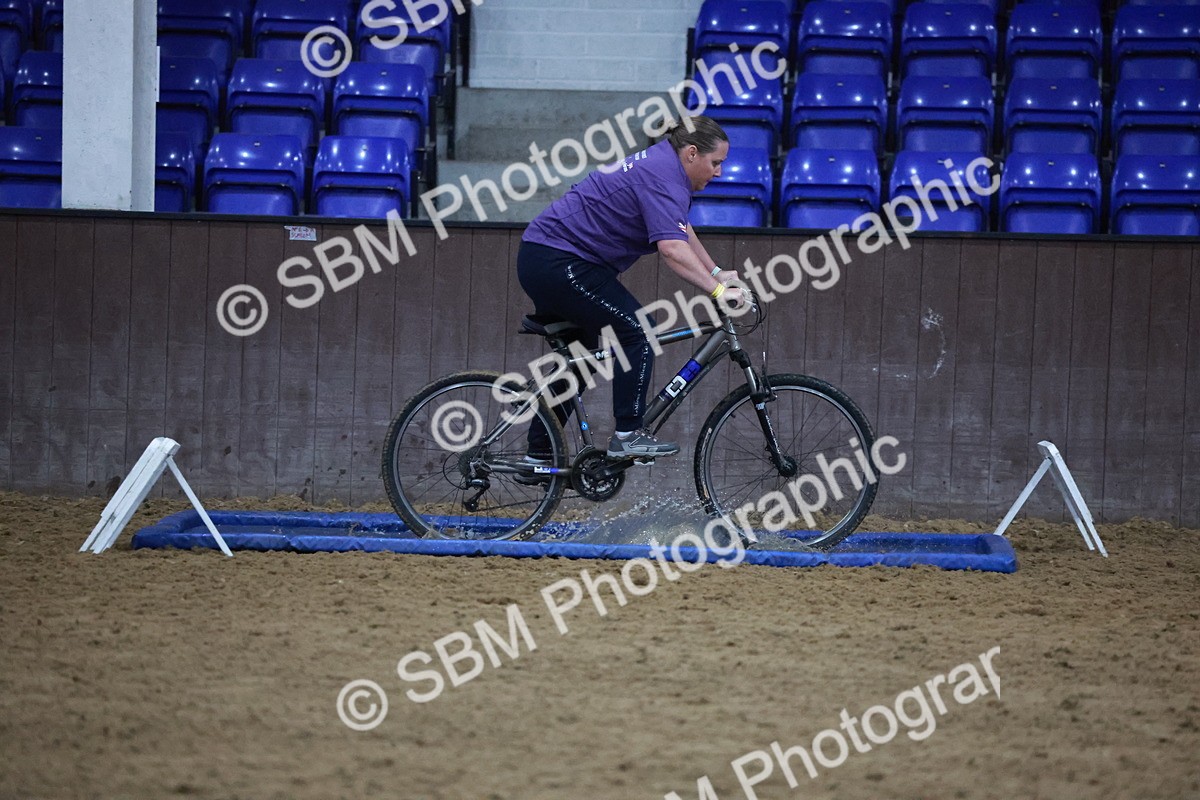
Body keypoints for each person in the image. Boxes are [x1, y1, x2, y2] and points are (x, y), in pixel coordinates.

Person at [517, 115, 747, 465]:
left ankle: (537, 455)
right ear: (690, 154)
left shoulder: (665, 168)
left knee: (581, 359)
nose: (718, 173)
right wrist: (717, 291)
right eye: (715, 163)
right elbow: (672, 249)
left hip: (552, 259)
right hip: (558, 261)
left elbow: (680, 229)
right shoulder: (662, 174)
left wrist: (715, 272)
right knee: (639, 331)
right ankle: (627, 434)